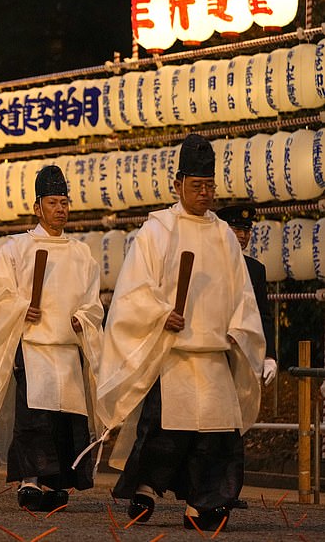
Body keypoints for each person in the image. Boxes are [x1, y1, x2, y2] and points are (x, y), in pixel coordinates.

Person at [96, 134, 265, 531]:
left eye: (210, 186)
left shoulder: (224, 234)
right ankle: (145, 488)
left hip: (212, 354)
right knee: (164, 433)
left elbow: (242, 293)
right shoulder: (158, 230)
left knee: (218, 437)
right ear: (178, 185)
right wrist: (160, 314)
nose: (204, 193)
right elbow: (133, 290)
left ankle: (203, 505)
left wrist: (239, 330)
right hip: (172, 353)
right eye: (196, 186)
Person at [0, 166, 104, 511]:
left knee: (64, 421)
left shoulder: (80, 253)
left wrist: (82, 319)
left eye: (64, 202)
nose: (61, 209)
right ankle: (30, 480)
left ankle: (56, 481)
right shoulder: (17, 249)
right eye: (53, 203)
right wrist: (20, 308)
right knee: (34, 418)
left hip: (67, 350)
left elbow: (93, 303)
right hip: (33, 348)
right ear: (37, 207)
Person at [215, 204, 278, 511]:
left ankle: (230, 489)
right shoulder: (210, 262)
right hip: (212, 350)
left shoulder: (256, 269)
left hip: (242, 355)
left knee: (235, 423)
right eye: (236, 229)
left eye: (246, 231)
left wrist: (270, 356)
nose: (241, 236)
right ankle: (203, 487)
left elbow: (264, 317)